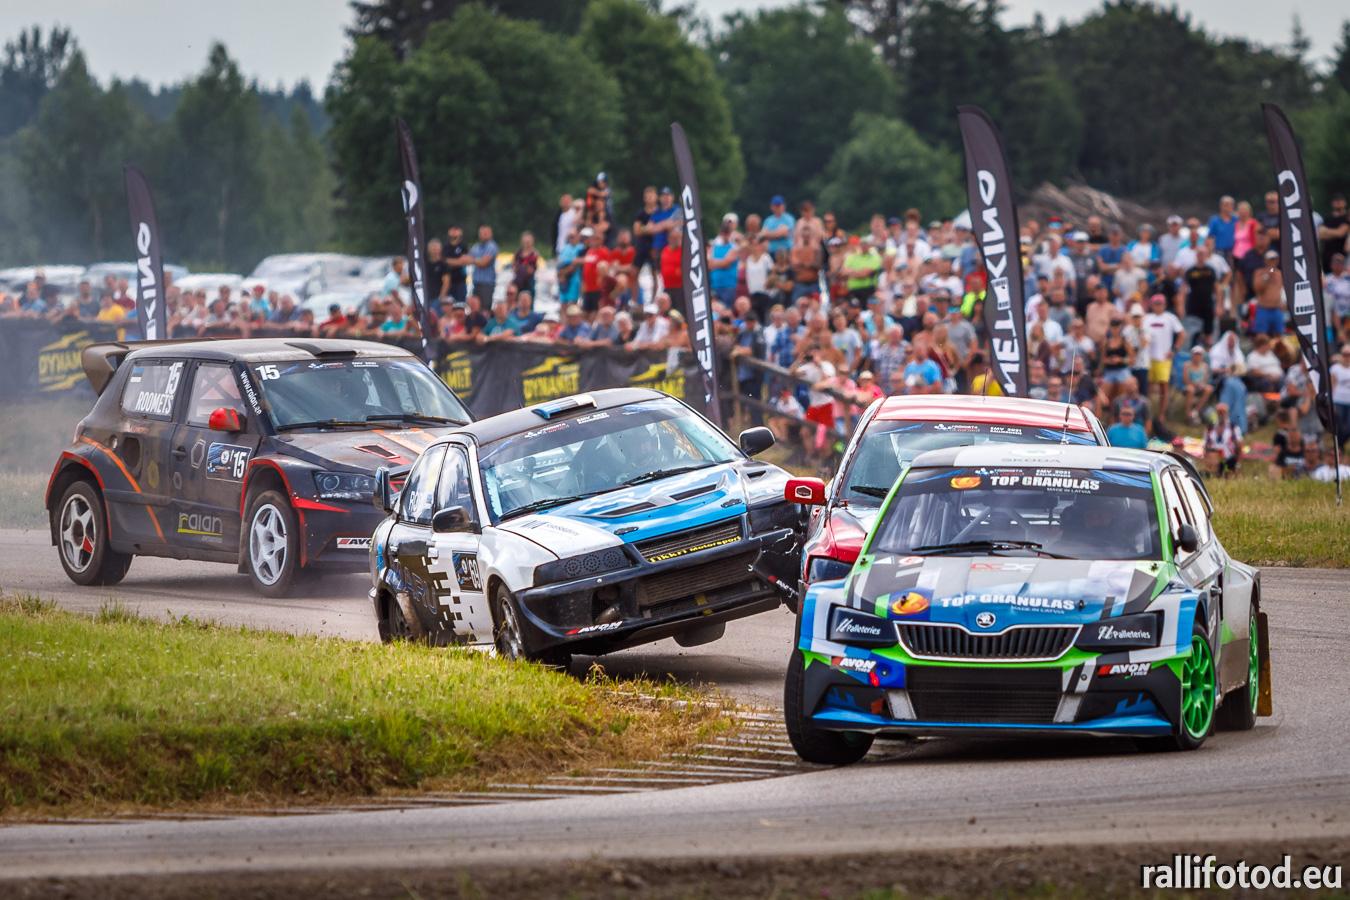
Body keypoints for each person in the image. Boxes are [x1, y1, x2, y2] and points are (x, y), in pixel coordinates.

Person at [1140, 293, 1185, 417]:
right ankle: (1147, 413)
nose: (1158, 306)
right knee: (1148, 386)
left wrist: (1174, 349)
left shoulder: (1170, 318)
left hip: (1164, 358)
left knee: (1163, 387)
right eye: (1156, 304)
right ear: (1152, 305)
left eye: (1160, 304)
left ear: (1164, 305)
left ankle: (1162, 414)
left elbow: (1182, 334)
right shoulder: (1147, 318)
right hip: (1148, 357)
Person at [1250, 249, 1286, 336]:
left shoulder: (1280, 274)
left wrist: (1284, 302)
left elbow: (1283, 289)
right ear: (1265, 261)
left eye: (1274, 260)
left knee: (1278, 336)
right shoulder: (1259, 273)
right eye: (1270, 260)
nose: (1272, 262)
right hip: (1263, 308)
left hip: (1277, 309)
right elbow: (1257, 289)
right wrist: (1266, 276)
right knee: (1261, 336)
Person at [1204, 402, 1243, 477]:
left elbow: (1239, 446)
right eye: (1219, 412)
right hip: (1213, 460)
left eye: (1223, 411)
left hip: (1228, 460)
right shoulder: (1210, 428)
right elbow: (1205, 446)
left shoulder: (1233, 427)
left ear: (1227, 413)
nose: (1221, 414)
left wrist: (1238, 464)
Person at [1270, 408, 1307, 479]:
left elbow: (1277, 451)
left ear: (1279, 420)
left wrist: (1276, 461)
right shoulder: (1299, 436)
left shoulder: (1279, 435)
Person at [1181, 346, 1213, 424]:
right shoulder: (1187, 365)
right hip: (1190, 386)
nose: (1197, 357)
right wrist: (1196, 384)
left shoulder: (1205, 366)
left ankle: (1195, 411)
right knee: (1190, 389)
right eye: (1196, 354)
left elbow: (1204, 381)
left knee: (1209, 389)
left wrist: (1201, 385)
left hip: (1200, 387)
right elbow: (1186, 380)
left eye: (1199, 355)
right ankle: (1187, 414)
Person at [469, 225, 499, 307]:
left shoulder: (492, 246)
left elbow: (484, 263)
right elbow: (466, 260)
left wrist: (474, 260)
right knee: (475, 307)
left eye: (486, 233)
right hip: (476, 282)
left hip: (487, 283)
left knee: (485, 307)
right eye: (481, 233)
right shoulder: (476, 246)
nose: (483, 234)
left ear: (491, 234)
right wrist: (478, 260)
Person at [444, 226, 472, 304]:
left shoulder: (463, 246)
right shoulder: (446, 247)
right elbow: (444, 262)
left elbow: (465, 261)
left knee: (460, 303)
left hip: (460, 280)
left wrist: (451, 261)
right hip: (448, 280)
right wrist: (458, 261)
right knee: (449, 303)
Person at [1332, 344, 1350, 453]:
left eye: (1348, 354)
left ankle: (1338, 445)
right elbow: (1332, 385)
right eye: (1345, 354)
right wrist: (1331, 402)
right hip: (1338, 400)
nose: (1347, 357)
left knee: (1348, 428)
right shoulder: (1335, 368)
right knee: (1339, 425)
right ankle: (1339, 449)